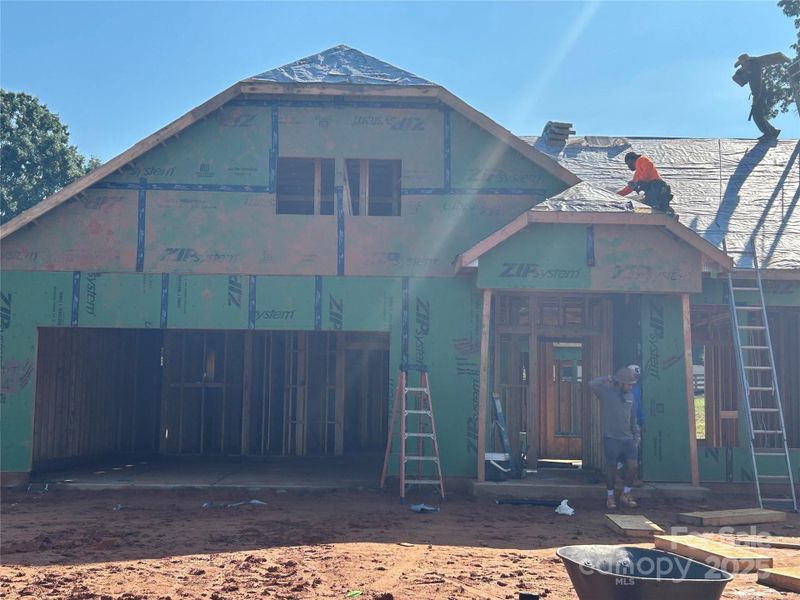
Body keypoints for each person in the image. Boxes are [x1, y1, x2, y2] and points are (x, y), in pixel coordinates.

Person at [590, 367, 640, 509]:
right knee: (611, 469)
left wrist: (636, 435)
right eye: (628, 384)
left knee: (633, 466)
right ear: (620, 383)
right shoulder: (606, 394)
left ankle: (626, 493)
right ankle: (610, 496)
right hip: (611, 438)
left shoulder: (631, 396)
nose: (630, 387)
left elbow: (633, 418)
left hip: (628, 439)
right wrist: (608, 378)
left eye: (632, 384)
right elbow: (592, 383)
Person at [734, 53, 780, 141]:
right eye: (742, 64)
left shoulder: (755, 66)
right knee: (758, 114)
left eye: (743, 64)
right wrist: (739, 72)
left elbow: (754, 72)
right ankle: (773, 131)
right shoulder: (748, 70)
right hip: (757, 94)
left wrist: (744, 71)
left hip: (761, 93)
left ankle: (768, 135)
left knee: (757, 115)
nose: (742, 66)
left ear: (748, 62)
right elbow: (741, 82)